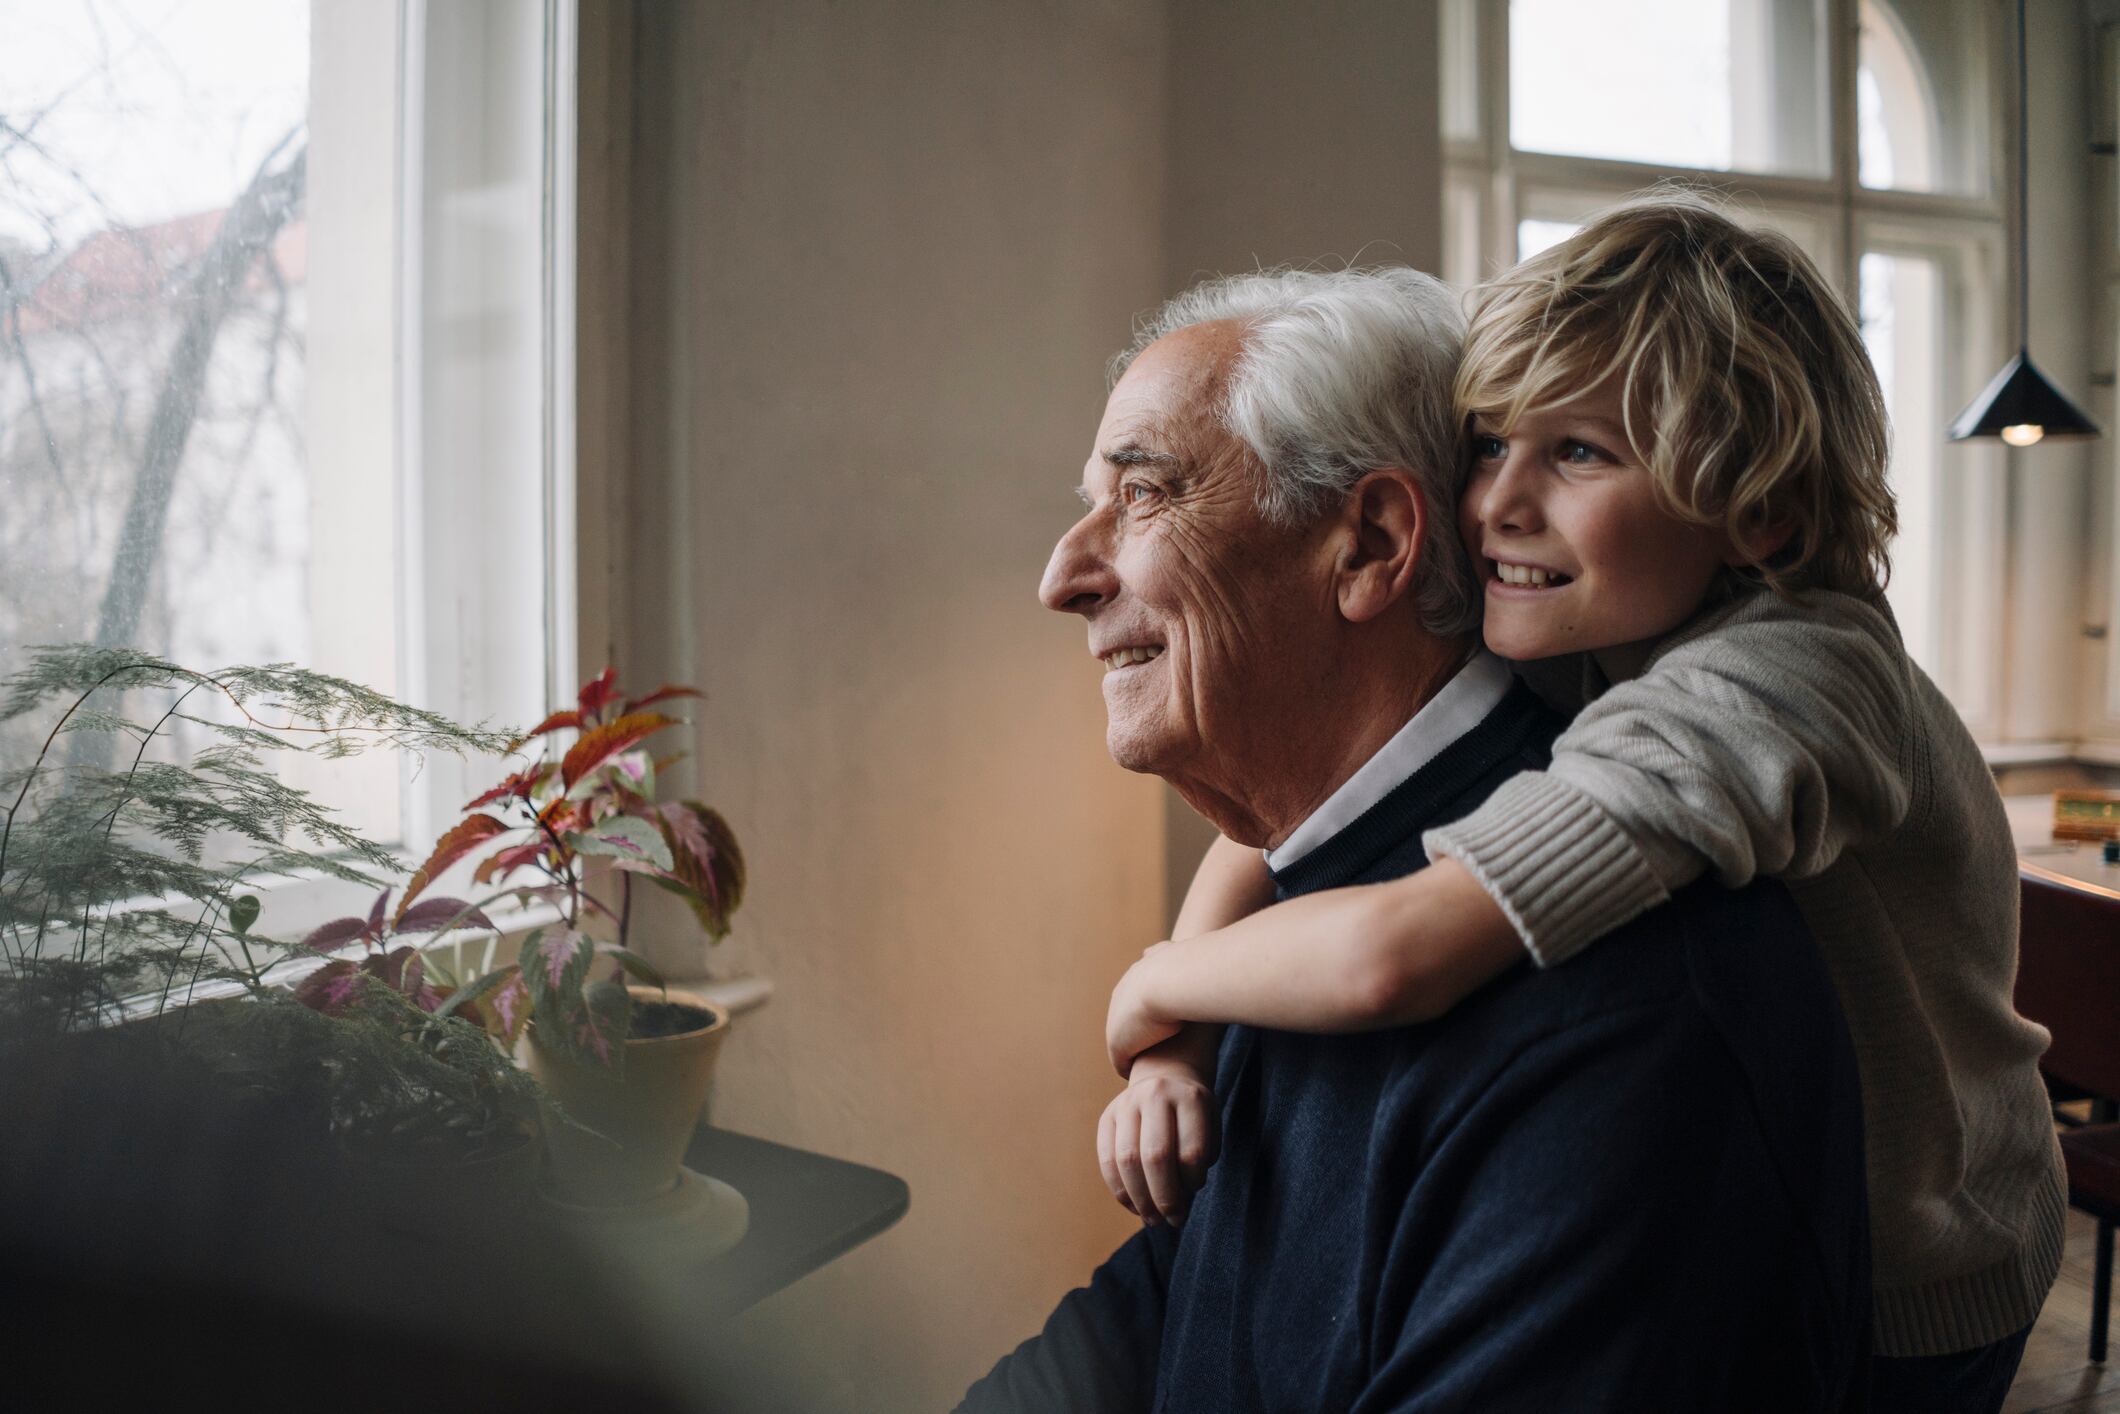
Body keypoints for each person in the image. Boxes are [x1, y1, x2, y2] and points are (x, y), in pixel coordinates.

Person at [1097, 192, 2064, 1414]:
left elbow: (1397, 951)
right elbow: (1275, 840)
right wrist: (1176, 1054)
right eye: (1489, 443)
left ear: (1757, 510)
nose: (1496, 503)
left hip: (1917, 1261)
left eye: (1580, 453)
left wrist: (1152, 986)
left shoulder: (1777, 687)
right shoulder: (1590, 618)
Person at [959, 266, 1868, 1412]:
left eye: (1141, 494)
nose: (1061, 576)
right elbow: (1179, 1295)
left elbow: (1391, 953)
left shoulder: (1625, 1002)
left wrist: (1154, 981)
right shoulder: (1310, 859)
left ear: (1371, 543)